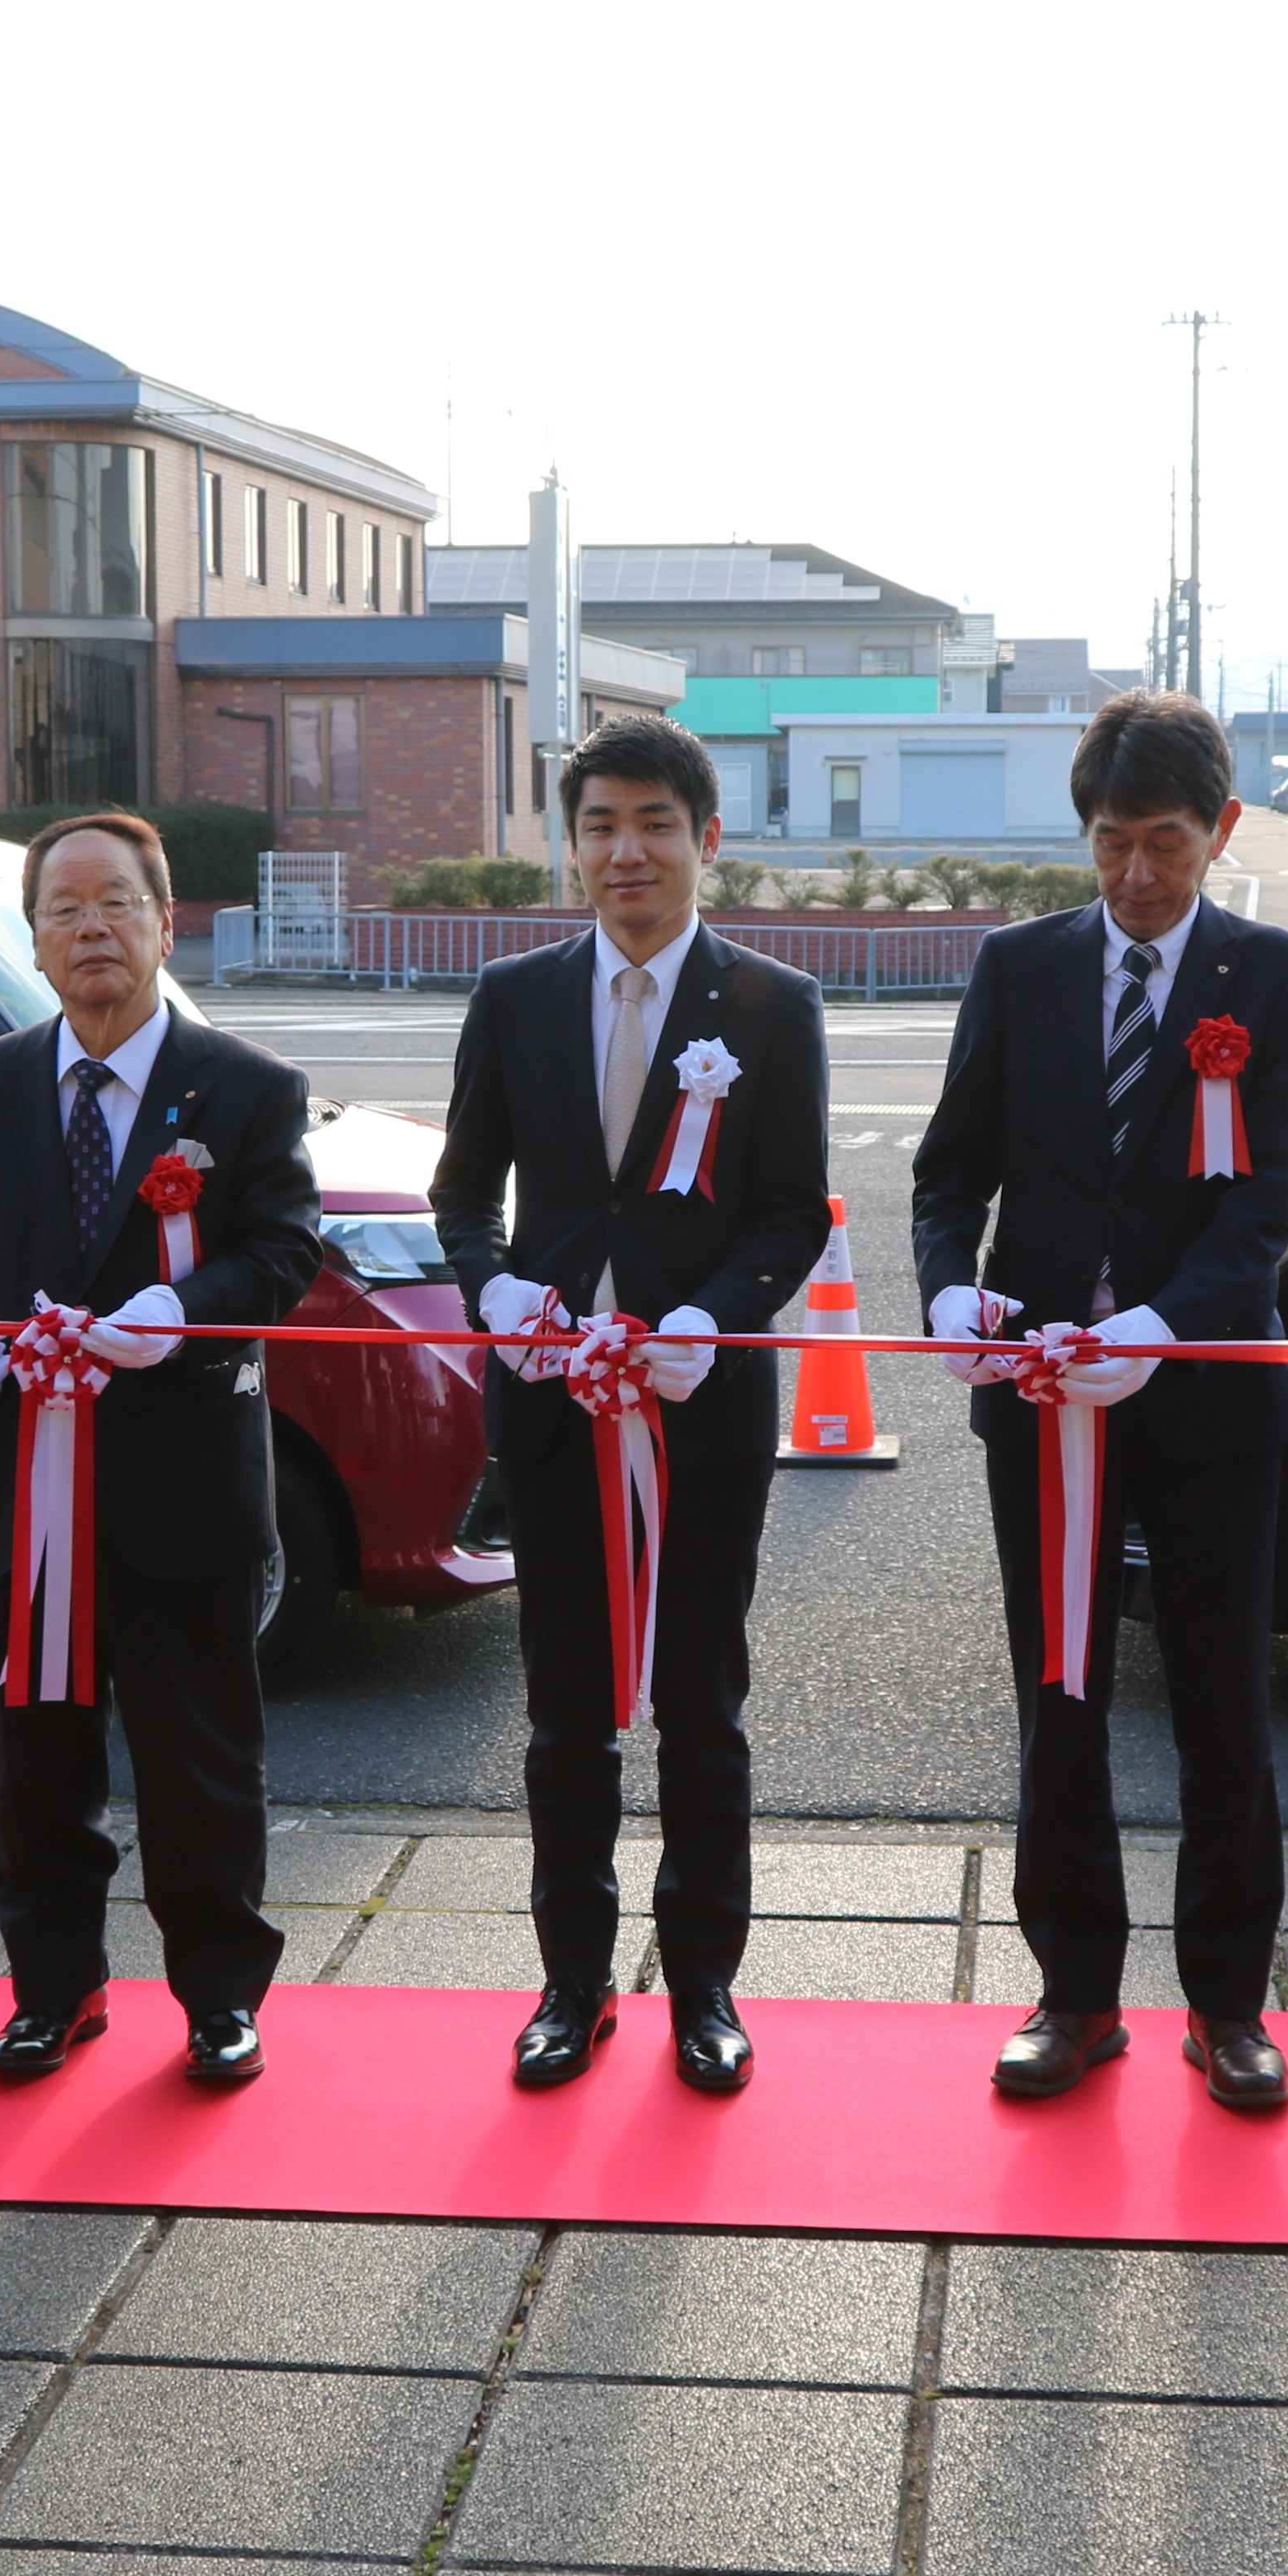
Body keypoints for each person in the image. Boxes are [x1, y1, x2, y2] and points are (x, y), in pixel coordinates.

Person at [912, 690, 1288, 2108]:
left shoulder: (1277, 980)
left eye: (1165, 843)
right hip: (1042, 1392)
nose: (1139, 878)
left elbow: (1265, 1204)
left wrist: (1160, 1324)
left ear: (1220, 830)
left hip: (1205, 1393)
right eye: (1111, 845)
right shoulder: (1018, 968)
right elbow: (948, 1170)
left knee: (1224, 1705)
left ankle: (1228, 2003)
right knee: (1062, 1692)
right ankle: (1075, 1994)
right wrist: (949, 1291)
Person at [427, 713, 833, 2094]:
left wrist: (712, 1320)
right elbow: (462, 1193)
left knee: (702, 1704)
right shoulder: (515, 997)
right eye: (600, 824)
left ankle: (705, 1984)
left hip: (699, 1406)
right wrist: (492, 1290)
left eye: (654, 822)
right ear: (574, 843)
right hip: (550, 1400)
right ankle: (572, 1980)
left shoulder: (774, 1005)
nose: (626, 851)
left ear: (706, 840)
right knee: (564, 1710)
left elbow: (788, 1210)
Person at [0, 812, 325, 2088]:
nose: (92, 929)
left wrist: (174, 1317)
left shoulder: (246, 1087)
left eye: (116, 905)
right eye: (64, 910)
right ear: (33, 942)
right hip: (19, 1478)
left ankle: (218, 1999)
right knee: (34, 1757)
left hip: (176, 1482)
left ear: (164, 920)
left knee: (200, 1758)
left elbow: (284, 1251)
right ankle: (53, 1990)